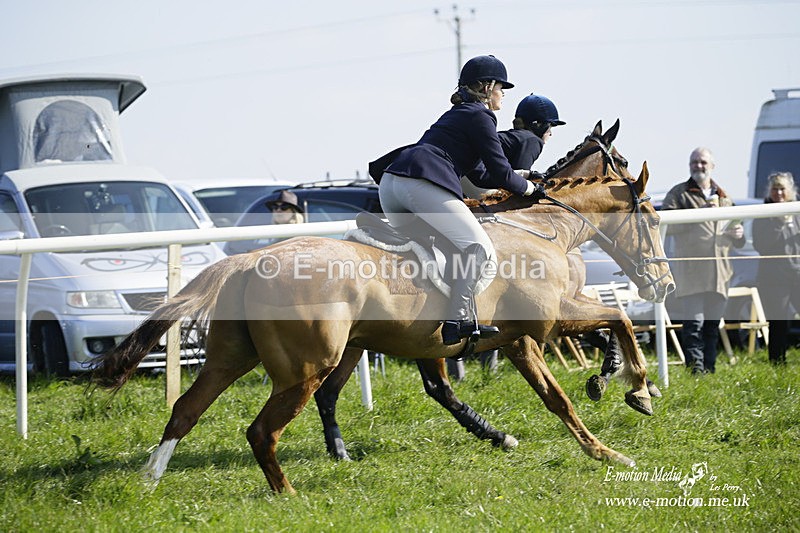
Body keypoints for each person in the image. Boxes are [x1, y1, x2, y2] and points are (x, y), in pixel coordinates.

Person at [376, 55, 537, 346]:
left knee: (439, 251)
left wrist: (522, 174)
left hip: (391, 183)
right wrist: (529, 189)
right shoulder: (481, 115)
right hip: (420, 182)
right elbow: (500, 172)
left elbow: (480, 174)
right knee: (480, 250)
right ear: (487, 87)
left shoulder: (457, 115)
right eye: (501, 87)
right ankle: (457, 320)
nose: (503, 94)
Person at [454, 93, 565, 378]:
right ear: (539, 125)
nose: (552, 132)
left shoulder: (515, 137)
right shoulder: (531, 141)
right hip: (475, 187)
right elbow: (517, 188)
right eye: (551, 125)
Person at [661, 147, 745, 374]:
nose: (699, 166)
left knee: (712, 325)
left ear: (712, 166)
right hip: (692, 271)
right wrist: (699, 212)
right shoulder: (679, 193)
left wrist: (739, 235)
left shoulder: (725, 196)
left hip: (720, 272)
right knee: (694, 324)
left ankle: (710, 367)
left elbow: (738, 233)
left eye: (703, 162)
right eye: (694, 162)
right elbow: (664, 226)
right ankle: (696, 371)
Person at [752, 172, 800, 364]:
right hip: (774, 279)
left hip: (797, 273)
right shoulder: (763, 213)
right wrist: (779, 226)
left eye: (782, 189)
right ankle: (777, 363)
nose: (779, 193)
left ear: (790, 191)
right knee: (779, 323)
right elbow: (761, 245)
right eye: (775, 189)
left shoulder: (796, 211)